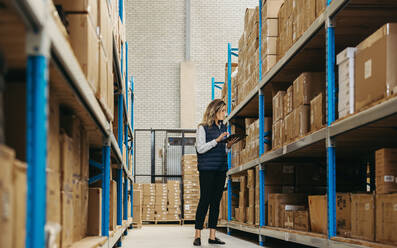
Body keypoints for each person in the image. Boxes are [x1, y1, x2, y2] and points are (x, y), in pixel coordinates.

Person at [193, 99, 239, 246]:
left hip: (220, 168)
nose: (224, 114)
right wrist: (217, 140)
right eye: (222, 111)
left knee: (216, 202)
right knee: (204, 200)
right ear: (214, 111)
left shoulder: (223, 127)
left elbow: (222, 150)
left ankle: (212, 236)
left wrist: (228, 146)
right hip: (207, 169)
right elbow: (200, 148)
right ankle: (197, 235)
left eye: (225, 111)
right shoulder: (203, 128)